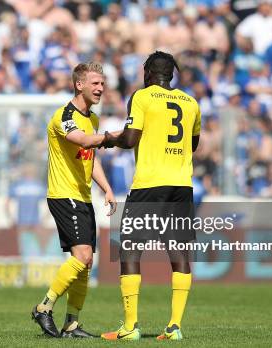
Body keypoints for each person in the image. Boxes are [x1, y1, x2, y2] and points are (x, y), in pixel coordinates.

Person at [101, 51, 201, 341]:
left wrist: (108, 139)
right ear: (172, 74)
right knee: (179, 252)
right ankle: (174, 327)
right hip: (182, 184)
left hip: (150, 183)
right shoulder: (191, 102)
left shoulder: (142, 96)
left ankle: (130, 327)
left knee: (130, 248)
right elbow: (192, 144)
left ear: (147, 72)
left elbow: (130, 138)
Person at [30, 62, 117, 338]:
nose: (101, 88)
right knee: (83, 256)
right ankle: (44, 307)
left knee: (86, 262)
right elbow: (82, 141)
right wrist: (116, 138)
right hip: (63, 194)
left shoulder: (92, 119)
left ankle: (71, 324)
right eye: (95, 83)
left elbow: (90, 158)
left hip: (82, 196)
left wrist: (107, 189)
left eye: (102, 83)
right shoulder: (64, 116)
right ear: (79, 84)